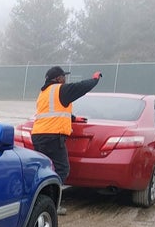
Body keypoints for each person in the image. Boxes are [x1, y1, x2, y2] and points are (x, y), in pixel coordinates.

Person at [32, 66, 102, 214]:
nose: (65, 79)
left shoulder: (44, 93)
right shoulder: (60, 89)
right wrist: (95, 79)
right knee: (62, 169)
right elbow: (81, 87)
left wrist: (73, 118)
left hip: (38, 135)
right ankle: (51, 204)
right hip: (52, 136)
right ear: (57, 78)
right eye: (63, 76)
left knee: (45, 169)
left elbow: (52, 112)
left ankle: (38, 202)